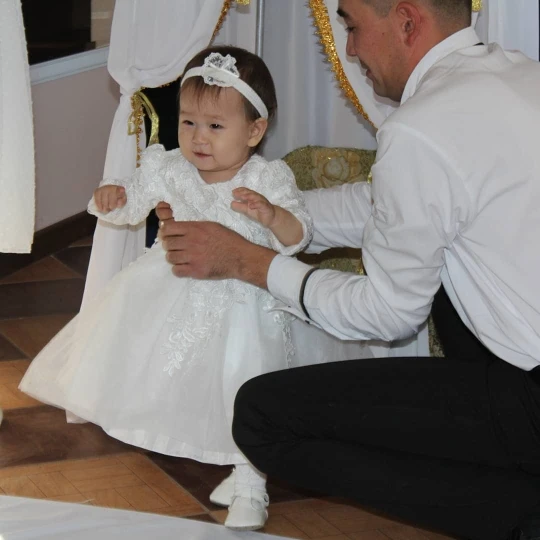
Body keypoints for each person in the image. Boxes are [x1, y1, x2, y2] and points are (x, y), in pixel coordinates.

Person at [155, 1, 540, 539]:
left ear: (406, 20)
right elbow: (393, 205)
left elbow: (389, 314)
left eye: (353, 27)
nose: (351, 49)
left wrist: (250, 261)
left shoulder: (423, 127)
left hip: (528, 396)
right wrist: (268, 216)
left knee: (263, 417)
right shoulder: (521, 75)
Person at [18, 45, 371, 531]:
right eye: (188, 122)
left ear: (254, 131)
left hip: (245, 301)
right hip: (175, 290)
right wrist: (115, 196)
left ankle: (250, 481)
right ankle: (237, 465)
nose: (198, 137)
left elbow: (297, 238)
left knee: (243, 383)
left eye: (215, 126)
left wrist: (272, 215)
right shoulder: (169, 168)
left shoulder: (267, 178)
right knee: (192, 390)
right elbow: (133, 201)